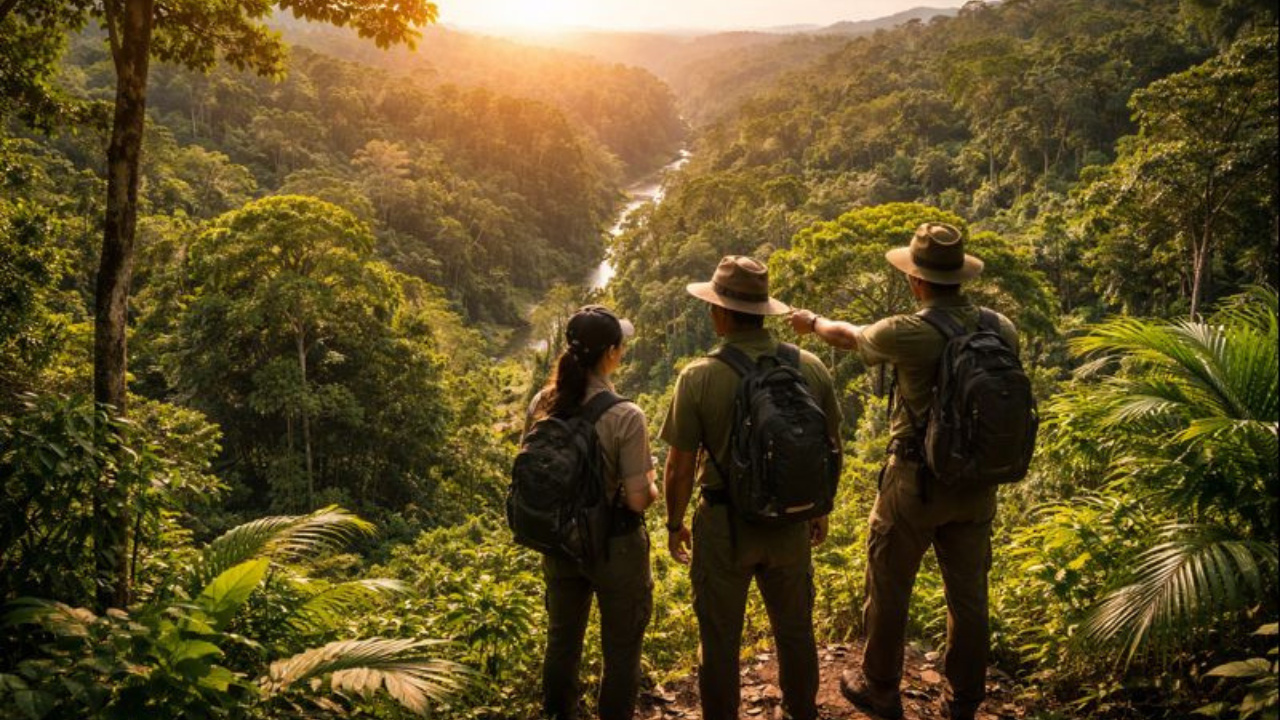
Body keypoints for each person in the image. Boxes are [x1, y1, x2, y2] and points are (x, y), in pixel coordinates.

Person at [788, 222, 1019, 720]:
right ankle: (963, 699)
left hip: (915, 483)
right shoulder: (1001, 327)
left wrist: (811, 321)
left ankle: (881, 687)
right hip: (978, 483)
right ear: (961, 277)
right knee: (969, 595)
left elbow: (847, 336)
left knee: (889, 586)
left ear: (917, 281)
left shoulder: (909, 331)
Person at [659, 256, 842, 720]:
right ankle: (801, 711)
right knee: (795, 630)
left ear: (719, 313)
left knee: (719, 638)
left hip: (724, 526)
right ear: (764, 311)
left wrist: (675, 523)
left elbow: (679, 467)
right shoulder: (812, 366)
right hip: (790, 522)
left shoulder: (698, 377)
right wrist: (819, 508)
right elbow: (829, 445)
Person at [526, 305, 659, 720]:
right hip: (615, 546)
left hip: (561, 541)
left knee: (562, 642)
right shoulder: (625, 415)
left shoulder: (541, 403)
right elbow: (639, 499)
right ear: (612, 353)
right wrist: (651, 484)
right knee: (621, 651)